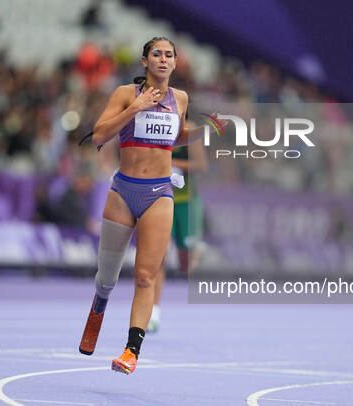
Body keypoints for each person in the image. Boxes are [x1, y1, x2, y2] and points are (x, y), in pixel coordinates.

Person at [78, 37, 219, 375]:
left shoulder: (180, 99)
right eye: (157, 54)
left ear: (174, 62)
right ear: (145, 61)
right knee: (107, 278)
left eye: (169, 55)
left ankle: (131, 351)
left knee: (145, 276)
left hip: (159, 193)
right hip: (124, 192)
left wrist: (203, 131)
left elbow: (176, 135)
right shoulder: (126, 94)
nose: (163, 59)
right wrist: (135, 108)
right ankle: (99, 305)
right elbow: (98, 136)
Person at [148, 137, 207, 333]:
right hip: (162, 197)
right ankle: (153, 313)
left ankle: (196, 247)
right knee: (159, 256)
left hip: (187, 202)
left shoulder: (190, 131)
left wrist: (172, 163)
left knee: (185, 266)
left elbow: (200, 165)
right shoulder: (158, 126)